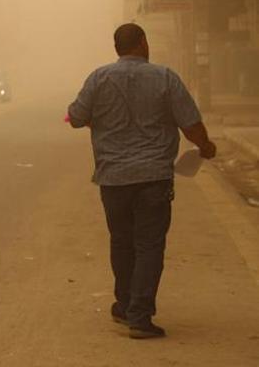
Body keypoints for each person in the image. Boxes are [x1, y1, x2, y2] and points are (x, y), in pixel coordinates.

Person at [67, 23, 216, 340]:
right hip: (153, 177)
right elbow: (190, 123)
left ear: (117, 47)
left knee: (121, 241)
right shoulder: (165, 77)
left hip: (113, 177)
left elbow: (76, 117)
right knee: (149, 245)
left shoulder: (98, 78)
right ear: (143, 43)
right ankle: (140, 315)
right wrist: (206, 147)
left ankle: (124, 305)